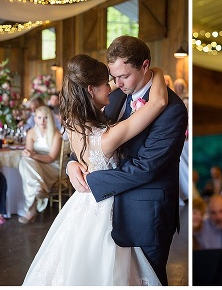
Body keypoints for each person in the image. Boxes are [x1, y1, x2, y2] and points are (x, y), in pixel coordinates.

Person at [22, 53, 169, 284]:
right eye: (106, 83)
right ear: (91, 89)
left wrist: (71, 163)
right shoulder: (106, 138)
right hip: (106, 210)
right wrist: (157, 71)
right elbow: (159, 102)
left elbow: (79, 152)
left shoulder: (73, 122)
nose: (112, 87)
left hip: (82, 205)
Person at [65, 36, 188, 285]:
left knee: (147, 279)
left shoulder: (172, 110)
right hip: (106, 213)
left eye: (124, 76)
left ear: (145, 66)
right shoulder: (117, 96)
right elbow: (92, 136)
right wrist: (72, 163)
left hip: (146, 214)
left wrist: (94, 179)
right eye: (113, 76)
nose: (116, 84)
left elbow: (145, 168)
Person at [17, 105, 62, 224]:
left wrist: (33, 156)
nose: (42, 121)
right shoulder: (31, 133)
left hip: (52, 166)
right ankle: (38, 187)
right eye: (39, 117)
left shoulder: (56, 134)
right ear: (35, 119)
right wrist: (29, 154)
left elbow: (51, 158)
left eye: (45, 117)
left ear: (50, 118)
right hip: (35, 166)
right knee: (25, 161)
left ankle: (31, 210)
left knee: (27, 167)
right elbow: (28, 154)